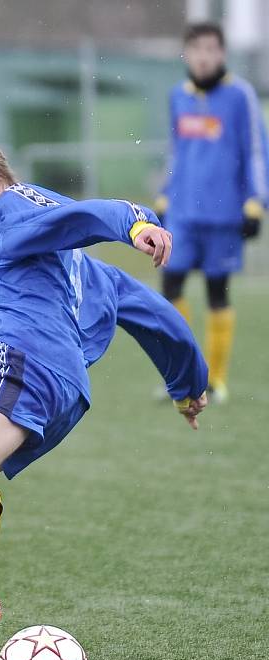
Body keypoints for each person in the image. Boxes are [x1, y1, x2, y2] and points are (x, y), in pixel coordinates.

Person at [0, 131, 208, 660]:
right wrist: (187, 386)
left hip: (24, 358)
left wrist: (134, 222)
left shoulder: (16, 205)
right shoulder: (83, 267)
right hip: (63, 387)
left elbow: (82, 214)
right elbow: (157, 316)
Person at [154, 21, 269, 404]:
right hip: (183, 214)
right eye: (196, 49)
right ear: (187, 55)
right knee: (169, 288)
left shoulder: (241, 96)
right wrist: (165, 195)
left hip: (224, 216)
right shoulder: (178, 96)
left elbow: (255, 150)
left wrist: (256, 201)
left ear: (221, 54)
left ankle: (216, 380)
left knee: (217, 292)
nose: (203, 57)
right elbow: (176, 152)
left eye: (210, 50)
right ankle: (186, 377)